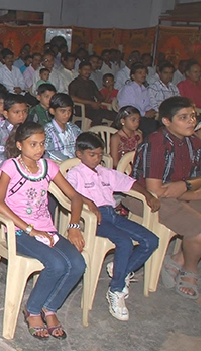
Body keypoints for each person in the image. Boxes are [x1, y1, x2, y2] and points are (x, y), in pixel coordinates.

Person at [0, 122, 87, 339]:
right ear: (19, 145)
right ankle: (33, 310)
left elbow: (75, 197)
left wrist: (73, 226)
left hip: (47, 230)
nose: (39, 149)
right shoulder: (11, 166)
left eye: (42, 144)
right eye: (33, 144)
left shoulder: (48, 166)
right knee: (56, 264)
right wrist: (29, 229)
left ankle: (50, 307)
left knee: (78, 264)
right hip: (19, 231)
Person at [67, 132, 159, 320]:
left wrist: (148, 195)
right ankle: (116, 289)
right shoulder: (75, 174)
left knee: (151, 240)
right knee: (124, 242)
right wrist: (88, 202)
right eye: (92, 154)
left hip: (112, 215)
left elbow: (129, 183)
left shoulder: (105, 172)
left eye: (100, 154)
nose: (96, 158)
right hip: (93, 218)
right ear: (79, 154)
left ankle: (120, 269)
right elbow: (69, 193)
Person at [129, 97, 201, 300]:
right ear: (167, 121)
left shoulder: (193, 142)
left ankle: (177, 258)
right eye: (183, 117)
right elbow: (156, 190)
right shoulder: (157, 143)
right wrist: (190, 189)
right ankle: (190, 268)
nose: (191, 121)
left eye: (193, 116)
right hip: (144, 197)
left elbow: (195, 180)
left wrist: (186, 187)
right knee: (198, 229)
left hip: (177, 193)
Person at [0, 94, 29, 167]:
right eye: (17, 112)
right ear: (6, 114)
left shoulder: (28, 129)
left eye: (24, 111)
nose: (22, 115)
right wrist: (12, 167)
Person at [68, 61, 117, 126]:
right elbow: (72, 97)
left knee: (116, 116)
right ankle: (93, 131)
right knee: (99, 114)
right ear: (79, 70)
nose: (87, 71)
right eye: (85, 69)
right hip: (82, 109)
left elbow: (100, 97)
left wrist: (99, 101)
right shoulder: (75, 83)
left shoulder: (91, 83)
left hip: (94, 108)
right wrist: (91, 103)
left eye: (89, 70)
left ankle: (109, 131)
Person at [118, 62, 158, 137]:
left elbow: (147, 104)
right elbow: (129, 107)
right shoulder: (128, 88)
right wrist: (144, 114)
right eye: (140, 73)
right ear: (133, 76)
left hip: (143, 117)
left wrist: (150, 111)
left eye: (144, 73)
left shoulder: (144, 89)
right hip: (130, 117)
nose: (143, 75)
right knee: (151, 126)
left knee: (159, 124)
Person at [44, 93, 81, 162]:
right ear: (52, 111)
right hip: (58, 164)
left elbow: (82, 144)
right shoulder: (47, 130)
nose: (67, 115)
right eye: (63, 111)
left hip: (75, 163)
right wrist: (70, 162)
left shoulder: (73, 128)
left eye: (69, 111)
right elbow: (49, 152)